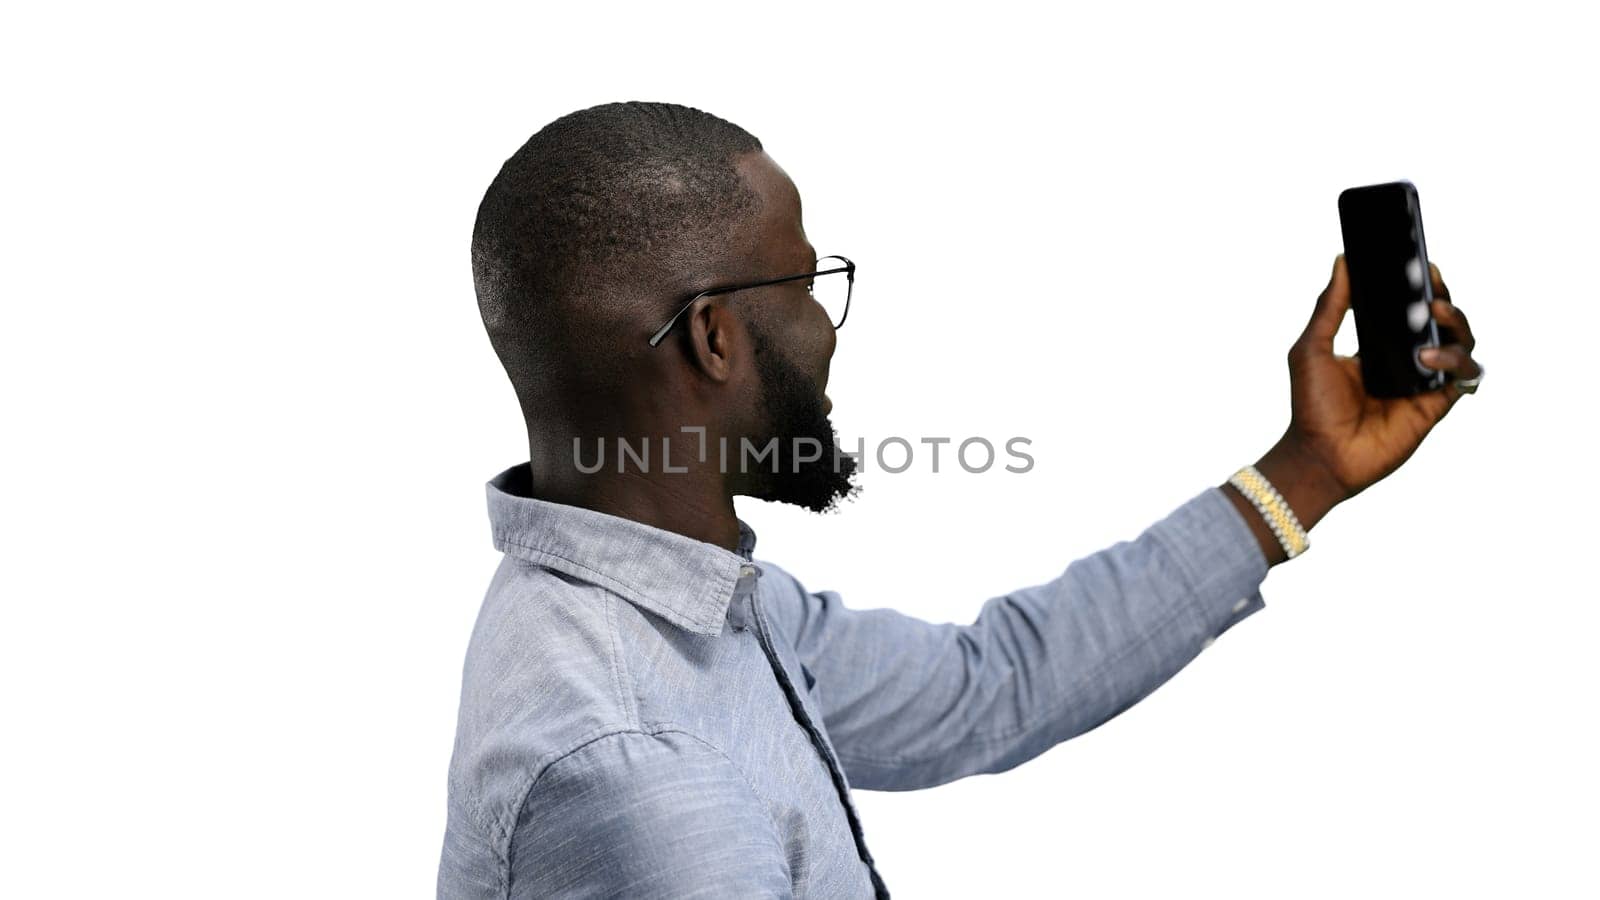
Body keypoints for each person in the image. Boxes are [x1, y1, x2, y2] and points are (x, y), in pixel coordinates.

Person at [437, 101, 1483, 899]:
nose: (824, 327)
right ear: (714, 337)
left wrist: (1306, 471)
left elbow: (988, 685)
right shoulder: (641, 773)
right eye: (805, 283)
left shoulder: (684, 606)